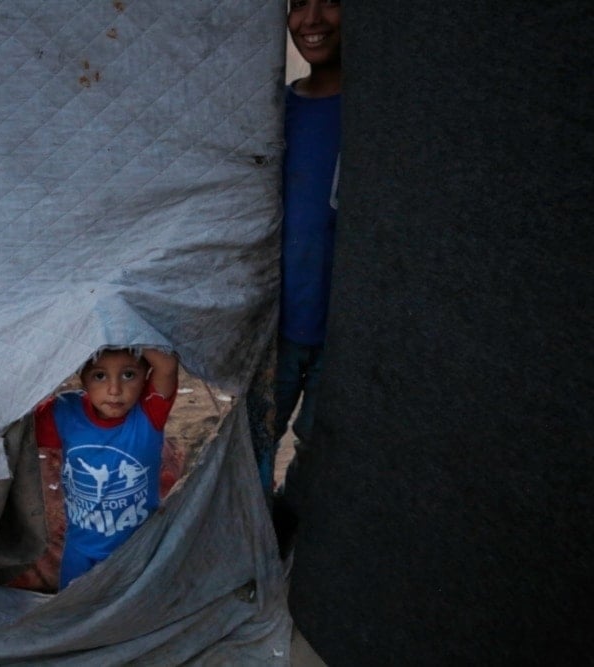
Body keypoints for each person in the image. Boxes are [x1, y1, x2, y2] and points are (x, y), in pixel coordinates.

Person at [249, 0, 342, 530]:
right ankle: (258, 536)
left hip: (346, 332)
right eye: (297, 2)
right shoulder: (276, 114)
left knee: (325, 441)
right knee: (257, 436)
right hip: (278, 325)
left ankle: (293, 526)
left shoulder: (385, 125)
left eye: (329, 0)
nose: (311, 18)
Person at [34, 347, 178, 589]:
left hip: (137, 552)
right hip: (79, 551)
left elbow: (168, 366)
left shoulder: (149, 412)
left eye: (129, 375)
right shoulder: (65, 413)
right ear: (83, 378)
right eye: (100, 376)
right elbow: (17, 427)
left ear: (146, 376)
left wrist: (120, 329)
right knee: (72, 612)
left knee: (129, 617)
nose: (114, 390)